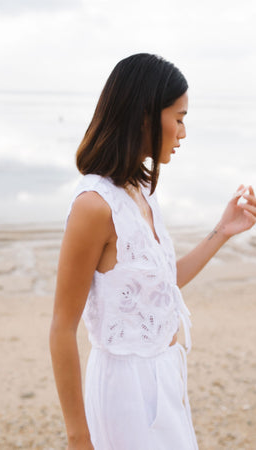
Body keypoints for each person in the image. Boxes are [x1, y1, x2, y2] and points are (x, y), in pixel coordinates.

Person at [49, 53, 256, 450]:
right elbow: (61, 327)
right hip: (124, 390)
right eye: (178, 118)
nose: (183, 132)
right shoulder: (94, 205)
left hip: (166, 378)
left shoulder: (139, 189)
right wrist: (78, 438)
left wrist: (224, 230)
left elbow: (162, 283)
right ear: (145, 115)